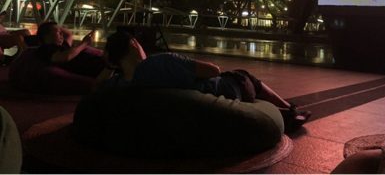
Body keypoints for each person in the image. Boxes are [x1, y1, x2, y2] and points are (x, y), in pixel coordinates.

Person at [96, 31, 312, 132]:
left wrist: (110, 65)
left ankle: (287, 113)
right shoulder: (161, 62)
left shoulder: (119, 85)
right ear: (134, 44)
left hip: (180, 119)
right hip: (223, 94)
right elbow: (213, 71)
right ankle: (290, 110)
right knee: (244, 76)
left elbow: (94, 90)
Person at [35, 21, 104, 77]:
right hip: (92, 68)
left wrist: (55, 27)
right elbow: (65, 57)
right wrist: (84, 43)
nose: (62, 34)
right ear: (47, 35)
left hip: (98, 62)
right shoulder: (45, 49)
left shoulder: (63, 44)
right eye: (59, 32)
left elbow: (68, 34)